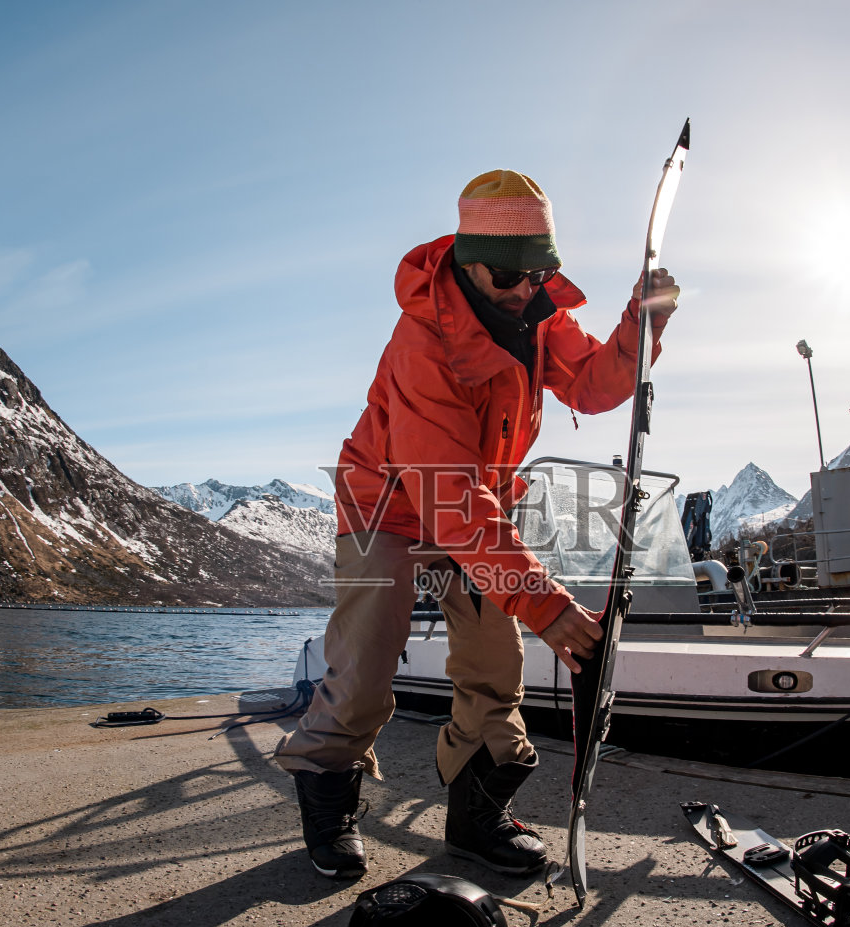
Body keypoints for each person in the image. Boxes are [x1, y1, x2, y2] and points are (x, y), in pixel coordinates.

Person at [273, 169, 679, 879]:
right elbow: (449, 503)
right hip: (390, 504)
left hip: (471, 501)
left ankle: (476, 810)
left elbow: (591, 381)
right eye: (510, 273)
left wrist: (638, 330)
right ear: (469, 262)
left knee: (495, 659)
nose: (527, 288)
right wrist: (548, 602)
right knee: (367, 660)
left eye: (541, 270)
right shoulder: (422, 343)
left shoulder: (538, 312)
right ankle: (329, 788)